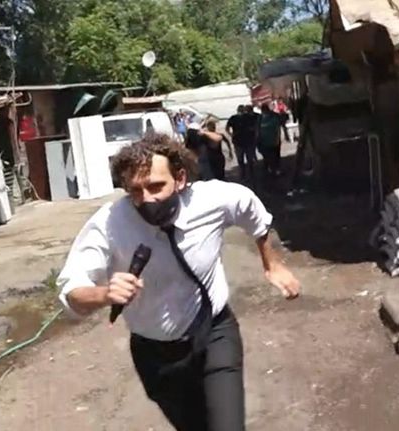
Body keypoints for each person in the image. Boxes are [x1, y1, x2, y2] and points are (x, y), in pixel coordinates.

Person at [57, 134, 300, 431]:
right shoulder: (109, 223)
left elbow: (252, 211)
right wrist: (104, 294)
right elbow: (71, 290)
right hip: (156, 356)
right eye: (135, 191)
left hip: (214, 334)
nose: (146, 198)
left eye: (156, 186)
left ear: (180, 178)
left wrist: (272, 263)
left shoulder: (212, 199)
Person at [226, 105, 259, 182]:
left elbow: (227, 128)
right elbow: (255, 126)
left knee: (240, 160)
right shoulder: (249, 117)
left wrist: (231, 135)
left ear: (237, 110)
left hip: (238, 141)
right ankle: (251, 175)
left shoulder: (233, 118)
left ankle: (243, 176)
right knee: (249, 160)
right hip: (248, 140)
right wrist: (254, 135)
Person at [258, 103, 283, 176]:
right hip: (264, 142)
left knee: (275, 156)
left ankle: (276, 169)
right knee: (267, 156)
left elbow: (277, 129)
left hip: (273, 141)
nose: (264, 112)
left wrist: (278, 139)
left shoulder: (273, 117)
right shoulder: (260, 118)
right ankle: (271, 169)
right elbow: (257, 129)